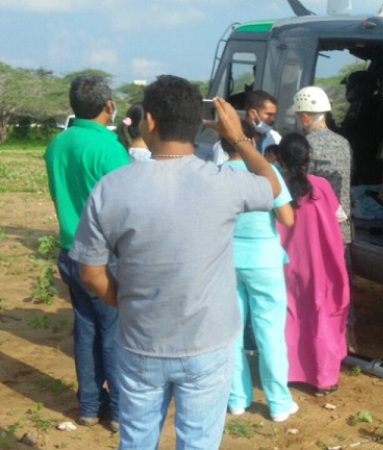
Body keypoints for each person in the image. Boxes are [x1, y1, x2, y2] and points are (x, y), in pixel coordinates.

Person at [69, 75, 282, 450]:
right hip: (208, 342)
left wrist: (130, 303)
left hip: (140, 342)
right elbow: (272, 186)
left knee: (136, 440)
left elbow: (90, 272)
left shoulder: (113, 187)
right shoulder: (224, 183)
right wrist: (239, 138)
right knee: (198, 442)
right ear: (198, 123)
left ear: (149, 120)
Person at [44, 74, 129, 431]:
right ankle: (121, 412)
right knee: (113, 330)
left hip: (68, 248)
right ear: (109, 106)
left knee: (86, 328)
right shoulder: (110, 149)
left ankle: (90, 407)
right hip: (104, 253)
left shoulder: (57, 144)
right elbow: (128, 206)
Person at [219, 121, 297, 421]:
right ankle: (278, 403)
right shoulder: (265, 172)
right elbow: (287, 218)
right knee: (270, 334)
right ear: (249, 140)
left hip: (226, 262)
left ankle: (237, 399)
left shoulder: (216, 175)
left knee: (232, 333)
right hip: (264, 260)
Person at [275, 132, 350, 397]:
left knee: (289, 315)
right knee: (322, 316)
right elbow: (340, 217)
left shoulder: (276, 186)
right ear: (309, 156)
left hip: (286, 265)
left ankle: (289, 373)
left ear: (280, 158)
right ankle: (324, 378)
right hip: (321, 265)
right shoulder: (321, 186)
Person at [290, 86, 358, 353]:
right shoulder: (344, 143)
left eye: (299, 116)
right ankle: (348, 337)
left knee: (312, 285)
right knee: (341, 282)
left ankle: (314, 341)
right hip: (340, 227)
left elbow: (301, 189)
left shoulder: (306, 146)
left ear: (305, 117)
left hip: (313, 230)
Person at [212, 89, 281, 164]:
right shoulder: (228, 142)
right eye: (269, 114)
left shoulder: (276, 139)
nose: (272, 119)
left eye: (274, 115)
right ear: (252, 113)